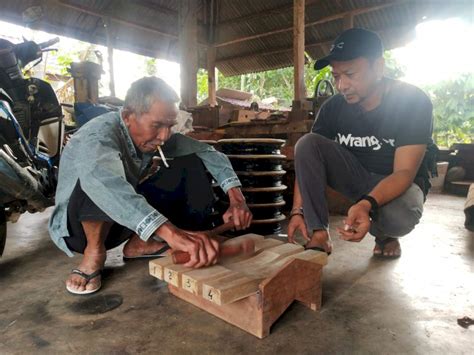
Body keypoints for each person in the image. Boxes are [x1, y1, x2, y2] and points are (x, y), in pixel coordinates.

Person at [49, 77, 252, 295]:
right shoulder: (99, 136)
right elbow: (105, 185)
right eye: (156, 125)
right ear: (128, 116)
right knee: (102, 176)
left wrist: (236, 199)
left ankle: (140, 244)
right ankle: (94, 253)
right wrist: (171, 234)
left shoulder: (156, 137)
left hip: (123, 223)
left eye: (170, 126)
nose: (164, 136)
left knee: (191, 159)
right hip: (77, 229)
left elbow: (208, 152)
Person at [288, 28, 434, 259]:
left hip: (397, 183)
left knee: (400, 215)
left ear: (378, 67)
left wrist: (366, 204)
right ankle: (319, 235)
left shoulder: (412, 101)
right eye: (336, 76)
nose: (342, 85)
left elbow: (405, 171)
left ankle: (385, 235)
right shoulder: (333, 107)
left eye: (350, 74)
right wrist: (298, 210)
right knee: (307, 142)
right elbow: (307, 156)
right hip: (355, 179)